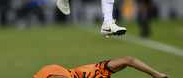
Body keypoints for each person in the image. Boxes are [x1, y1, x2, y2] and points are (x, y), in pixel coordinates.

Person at [33, 56, 169, 78]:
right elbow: (129, 60)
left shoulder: (100, 69)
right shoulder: (101, 70)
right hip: (58, 73)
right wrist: (155, 74)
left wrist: (156, 74)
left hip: (54, 72)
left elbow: (129, 60)